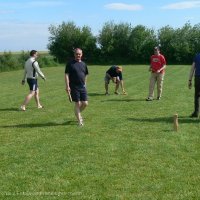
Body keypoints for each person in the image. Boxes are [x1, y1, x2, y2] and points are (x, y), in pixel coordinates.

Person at [65, 48, 89, 126]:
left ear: (81, 54)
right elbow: (66, 75)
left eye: (79, 54)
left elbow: (86, 74)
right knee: (78, 103)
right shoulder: (70, 63)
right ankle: (80, 121)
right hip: (74, 86)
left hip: (82, 86)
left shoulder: (83, 64)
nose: (78, 55)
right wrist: (67, 86)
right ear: (74, 54)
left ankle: (77, 112)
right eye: (76, 54)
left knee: (85, 103)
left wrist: (85, 83)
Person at [188, 52, 200, 118]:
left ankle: (196, 113)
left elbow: (192, 68)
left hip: (198, 78)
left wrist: (190, 80)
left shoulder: (197, 56)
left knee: (197, 96)